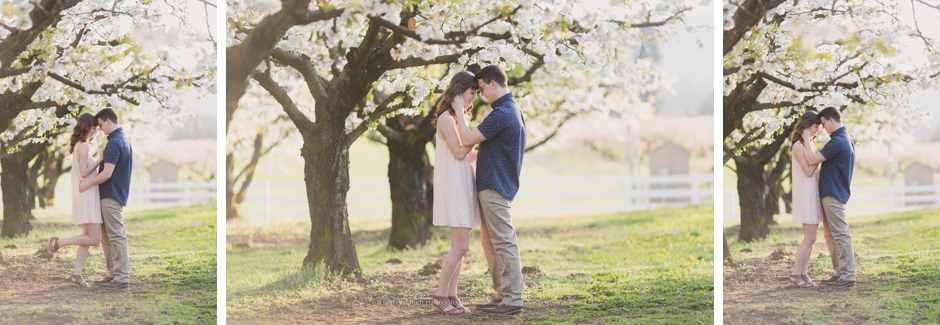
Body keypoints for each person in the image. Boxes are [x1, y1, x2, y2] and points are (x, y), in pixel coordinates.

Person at [453, 65, 526, 315]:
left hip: (495, 185)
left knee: (503, 242)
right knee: (490, 243)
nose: (481, 94)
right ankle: (503, 294)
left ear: (493, 84)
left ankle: (513, 298)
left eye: (482, 89)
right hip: (493, 184)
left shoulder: (503, 113)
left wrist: (457, 110)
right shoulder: (509, 110)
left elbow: (467, 138)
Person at [429, 71, 481, 315]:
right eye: (472, 93)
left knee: (462, 247)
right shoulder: (447, 119)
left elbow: (466, 152)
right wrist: (462, 115)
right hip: (454, 187)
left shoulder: (460, 118)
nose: (474, 98)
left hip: (464, 184)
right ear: (460, 91)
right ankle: (441, 296)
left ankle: (451, 294)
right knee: (459, 247)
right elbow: (459, 153)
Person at [44, 113, 105, 288]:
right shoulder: (84, 147)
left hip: (86, 194)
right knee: (94, 239)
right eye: (93, 128)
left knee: (86, 237)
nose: (95, 132)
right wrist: (100, 159)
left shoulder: (79, 145)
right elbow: (85, 172)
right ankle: (58, 242)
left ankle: (76, 274)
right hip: (87, 195)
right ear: (86, 127)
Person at [801, 106, 857, 287]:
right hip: (831, 192)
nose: (823, 128)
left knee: (840, 233)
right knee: (830, 235)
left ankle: (847, 275)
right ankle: (840, 272)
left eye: (824, 123)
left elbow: (812, 159)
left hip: (833, 193)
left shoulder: (838, 141)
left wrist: (805, 140)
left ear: (832, 120)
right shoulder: (842, 139)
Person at [79, 108, 134, 289]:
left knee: (116, 235)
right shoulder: (122, 140)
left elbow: (107, 174)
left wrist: (87, 185)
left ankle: (121, 277)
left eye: (101, 125)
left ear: (108, 121)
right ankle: (113, 274)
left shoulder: (115, 143)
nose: (100, 129)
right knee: (106, 236)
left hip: (111, 194)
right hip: (111, 194)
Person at [788, 111, 832, 288]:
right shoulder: (799, 146)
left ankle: (803, 274)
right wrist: (817, 155)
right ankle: (795, 274)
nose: (817, 131)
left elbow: (812, 165)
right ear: (807, 126)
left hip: (811, 192)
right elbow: (807, 171)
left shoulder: (806, 144)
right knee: (809, 237)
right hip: (805, 194)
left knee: (811, 238)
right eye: (815, 127)